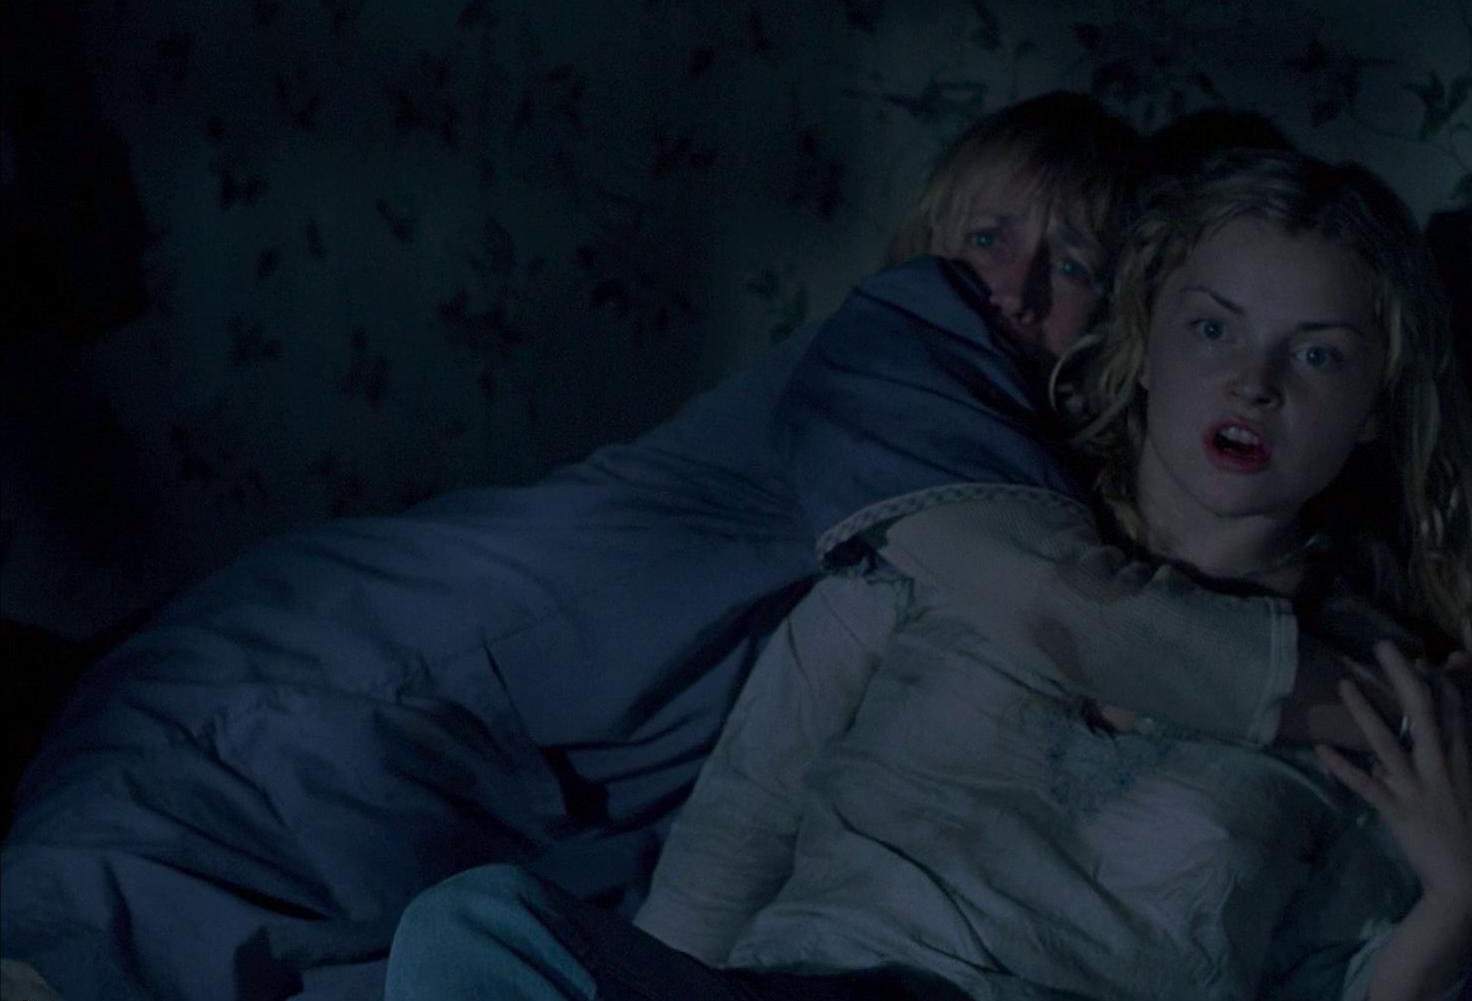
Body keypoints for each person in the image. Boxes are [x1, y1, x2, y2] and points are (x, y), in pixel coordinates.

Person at [1, 95, 1357, 1001]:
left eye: (1073, 262)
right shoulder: (905, 344)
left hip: (456, 796)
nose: (1013, 283)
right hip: (308, 700)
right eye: (986, 234)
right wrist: (1363, 698)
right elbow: (1079, 608)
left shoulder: (1033, 472)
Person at [381, 149, 1472, 1001]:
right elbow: (733, 839)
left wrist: (1455, 897)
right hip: (807, 985)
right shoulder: (960, 545)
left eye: (1315, 356)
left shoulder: (1380, 700)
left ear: (1374, 409)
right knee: (474, 923)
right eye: (1215, 328)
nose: (1253, 382)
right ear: (1147, 341)